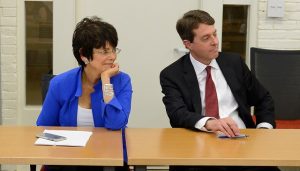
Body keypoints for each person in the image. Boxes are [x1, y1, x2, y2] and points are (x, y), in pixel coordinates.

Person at [160, 10, 280, 171]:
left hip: (243, 142)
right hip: (199, 146)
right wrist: (210, 123)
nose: (215, 42)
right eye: (206, 38)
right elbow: (177, 113)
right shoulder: (172, 74)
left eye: (214, 34)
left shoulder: (234, 63)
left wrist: (264, 129)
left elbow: (263, 98)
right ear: (188, 44)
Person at [37, 16, 132, 171]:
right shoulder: (60, 84)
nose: (113, 56)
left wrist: (106, 80)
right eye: (104, 51)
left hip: (108, 159)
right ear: (83, 55)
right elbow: (44, 127)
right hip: (68, 158)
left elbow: (116, 123)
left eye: (114, 50)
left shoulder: (122, 81)